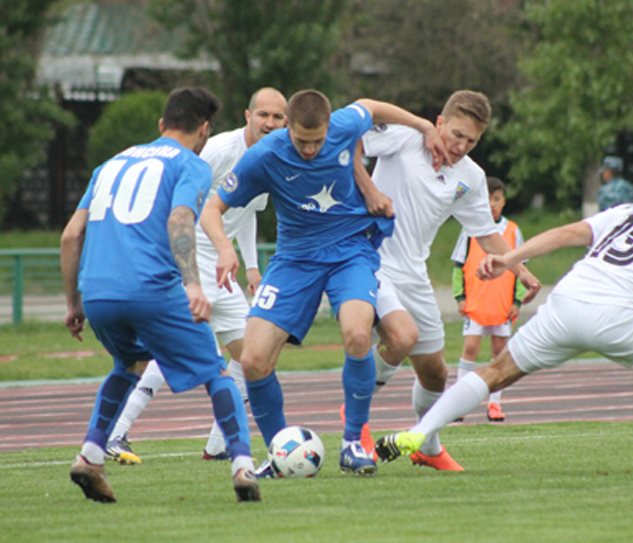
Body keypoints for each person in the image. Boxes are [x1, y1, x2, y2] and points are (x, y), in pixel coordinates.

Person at [375, 176, 633, 473]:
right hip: (618, 314)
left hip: (565, 302)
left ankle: (422, 431)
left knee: (495, 372)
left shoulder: (631, 209)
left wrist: (509, 259)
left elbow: (567, 233)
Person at [199, 89, 450, 478]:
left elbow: (370, 105)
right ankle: (280, 453)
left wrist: (421, 126)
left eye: (317, 141)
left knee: (356, 332)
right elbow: (213, 209)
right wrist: (224, 249)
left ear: (330, 128)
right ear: (288, 129)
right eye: (301, 141)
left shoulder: (345, 125)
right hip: (294, 260)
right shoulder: (266, 155)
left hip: (351, 251)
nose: (311, 149)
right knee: (252, 360)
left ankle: (352, 443)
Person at [61, 87, 260, 504]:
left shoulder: (109, 164)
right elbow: (180, 217)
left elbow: (70, 235)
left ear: (161, 124)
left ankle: (90, 455)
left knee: (128, 365)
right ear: (205, 129)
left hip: (98, 293)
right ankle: (242, 465)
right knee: (217, 372)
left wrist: (74, 304)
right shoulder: (191, 164)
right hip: (151, 287)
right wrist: (191, 283)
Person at [352, 90, 540, 471]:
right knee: (400, 339)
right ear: (439, 122)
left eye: (471, 140)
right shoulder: (405, 138)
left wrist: (520, 268)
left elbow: (485, 232)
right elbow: (351, 133)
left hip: (414, 274)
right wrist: (369, 187)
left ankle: (427, 444)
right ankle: (355, 422)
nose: (460, 145)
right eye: (456, 134)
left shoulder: (471, 177)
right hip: (370, 262)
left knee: (436, 374)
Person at [104, 87, 288, 465]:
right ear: (247, 116)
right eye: (263, 115)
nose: (270, 123)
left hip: (224, 267)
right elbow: (179, 194)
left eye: (278, 117)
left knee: (251, 355)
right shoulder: (220, 150)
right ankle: (116, 433)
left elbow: (247, 212)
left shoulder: (272, 156)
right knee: (170, 349)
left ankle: (220, 444)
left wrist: (250, 265)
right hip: (193, 259)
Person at [451, 176, 526, 423]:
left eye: (496, 199)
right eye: (487, 199)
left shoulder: (513, 231)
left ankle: (495, 404)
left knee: (499, 353)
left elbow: (521, 267)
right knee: (470, 348)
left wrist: (517, 301)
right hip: (476, 302)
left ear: (503, 202)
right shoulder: (470, 229)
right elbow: (458, 265)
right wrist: (459, 296)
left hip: (502, 303)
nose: (491, 204)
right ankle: (459, 403)